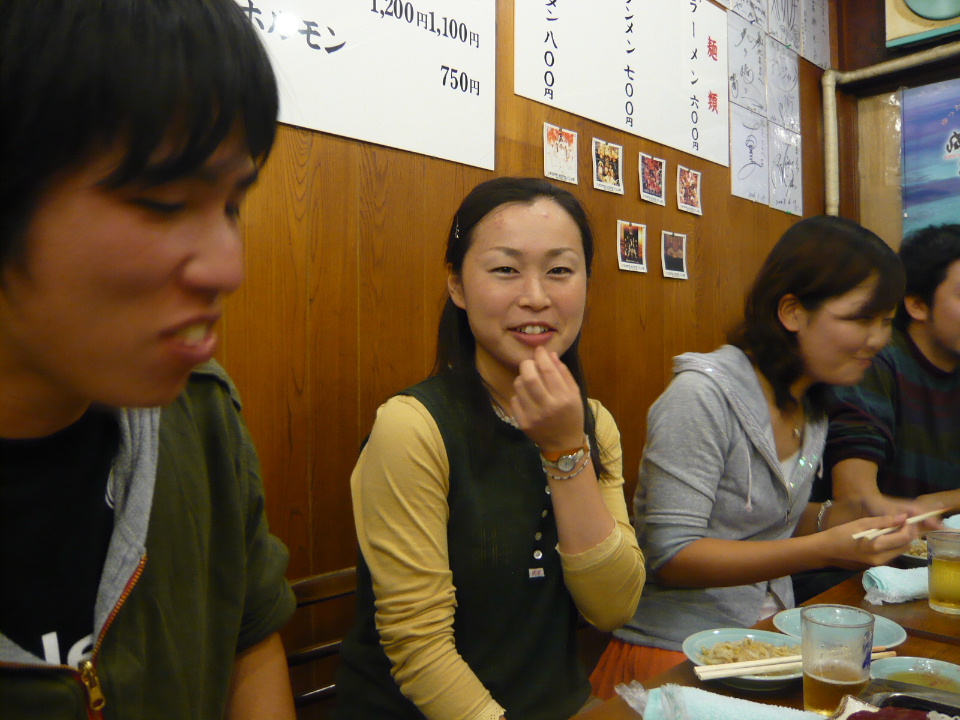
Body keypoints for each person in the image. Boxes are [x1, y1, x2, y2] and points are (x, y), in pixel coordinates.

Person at [0, 1, 295, 718]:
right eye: (163, 202)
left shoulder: (200, 411)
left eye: (232, 205)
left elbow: (248, 643)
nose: (229, 268)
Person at [336, 177, 646, 720]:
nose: (536, 296)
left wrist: (565, 451)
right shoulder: (412, 427)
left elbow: (613, 606)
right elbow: (420, 648)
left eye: (560, 270)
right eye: (506, 269)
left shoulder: (594, 424)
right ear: (457, 284)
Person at [590, 215, 928, 698]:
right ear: (792, 312)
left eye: (886, 321)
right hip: (676, 657)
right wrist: (826, 547)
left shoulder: (811, 403)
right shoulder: (702, 396)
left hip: (767, 643)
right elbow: (672, 555)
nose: (877, 339)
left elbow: (754, 520)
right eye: (860, 319)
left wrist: (851, 518)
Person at [824, 224, 960, 514]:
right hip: (875, 540)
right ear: (918, 305)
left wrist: (944, 501)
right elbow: (855, 497)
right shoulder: (871, 360)